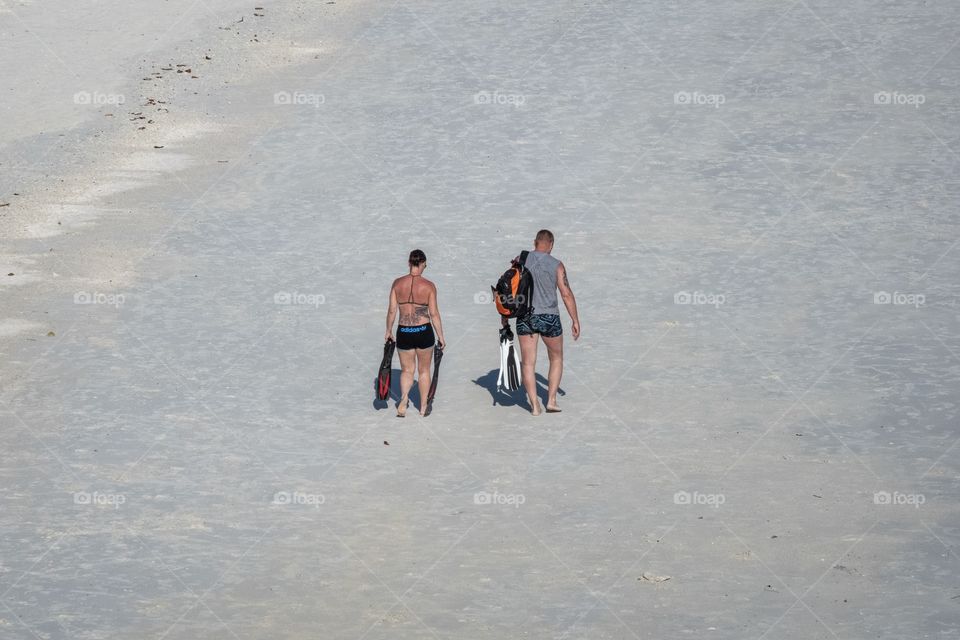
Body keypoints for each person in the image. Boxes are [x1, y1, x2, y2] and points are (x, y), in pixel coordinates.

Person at [514, 229, 580, 415]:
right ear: (551, 244)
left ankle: (534, 404)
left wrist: (504, 317)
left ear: (535, 242)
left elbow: (510, 287)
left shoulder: (521, 258)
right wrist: (575, 319)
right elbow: (565, 293)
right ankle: (551, 400)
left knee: (528, 363)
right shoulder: (557, 265)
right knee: (556, 358)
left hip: (525, 316)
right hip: (549, 317)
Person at [385, 249, 446, 417]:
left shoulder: (397, 284)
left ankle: (403, 400)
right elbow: (434, 314)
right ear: (423, 263)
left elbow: (392, 311)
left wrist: (388, 330)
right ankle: (423, 406)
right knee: (424, 370)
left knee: (407, 370)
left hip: (404, 329)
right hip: (423, 330)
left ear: (409, 264)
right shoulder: (429, 286)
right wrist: (441, 336)